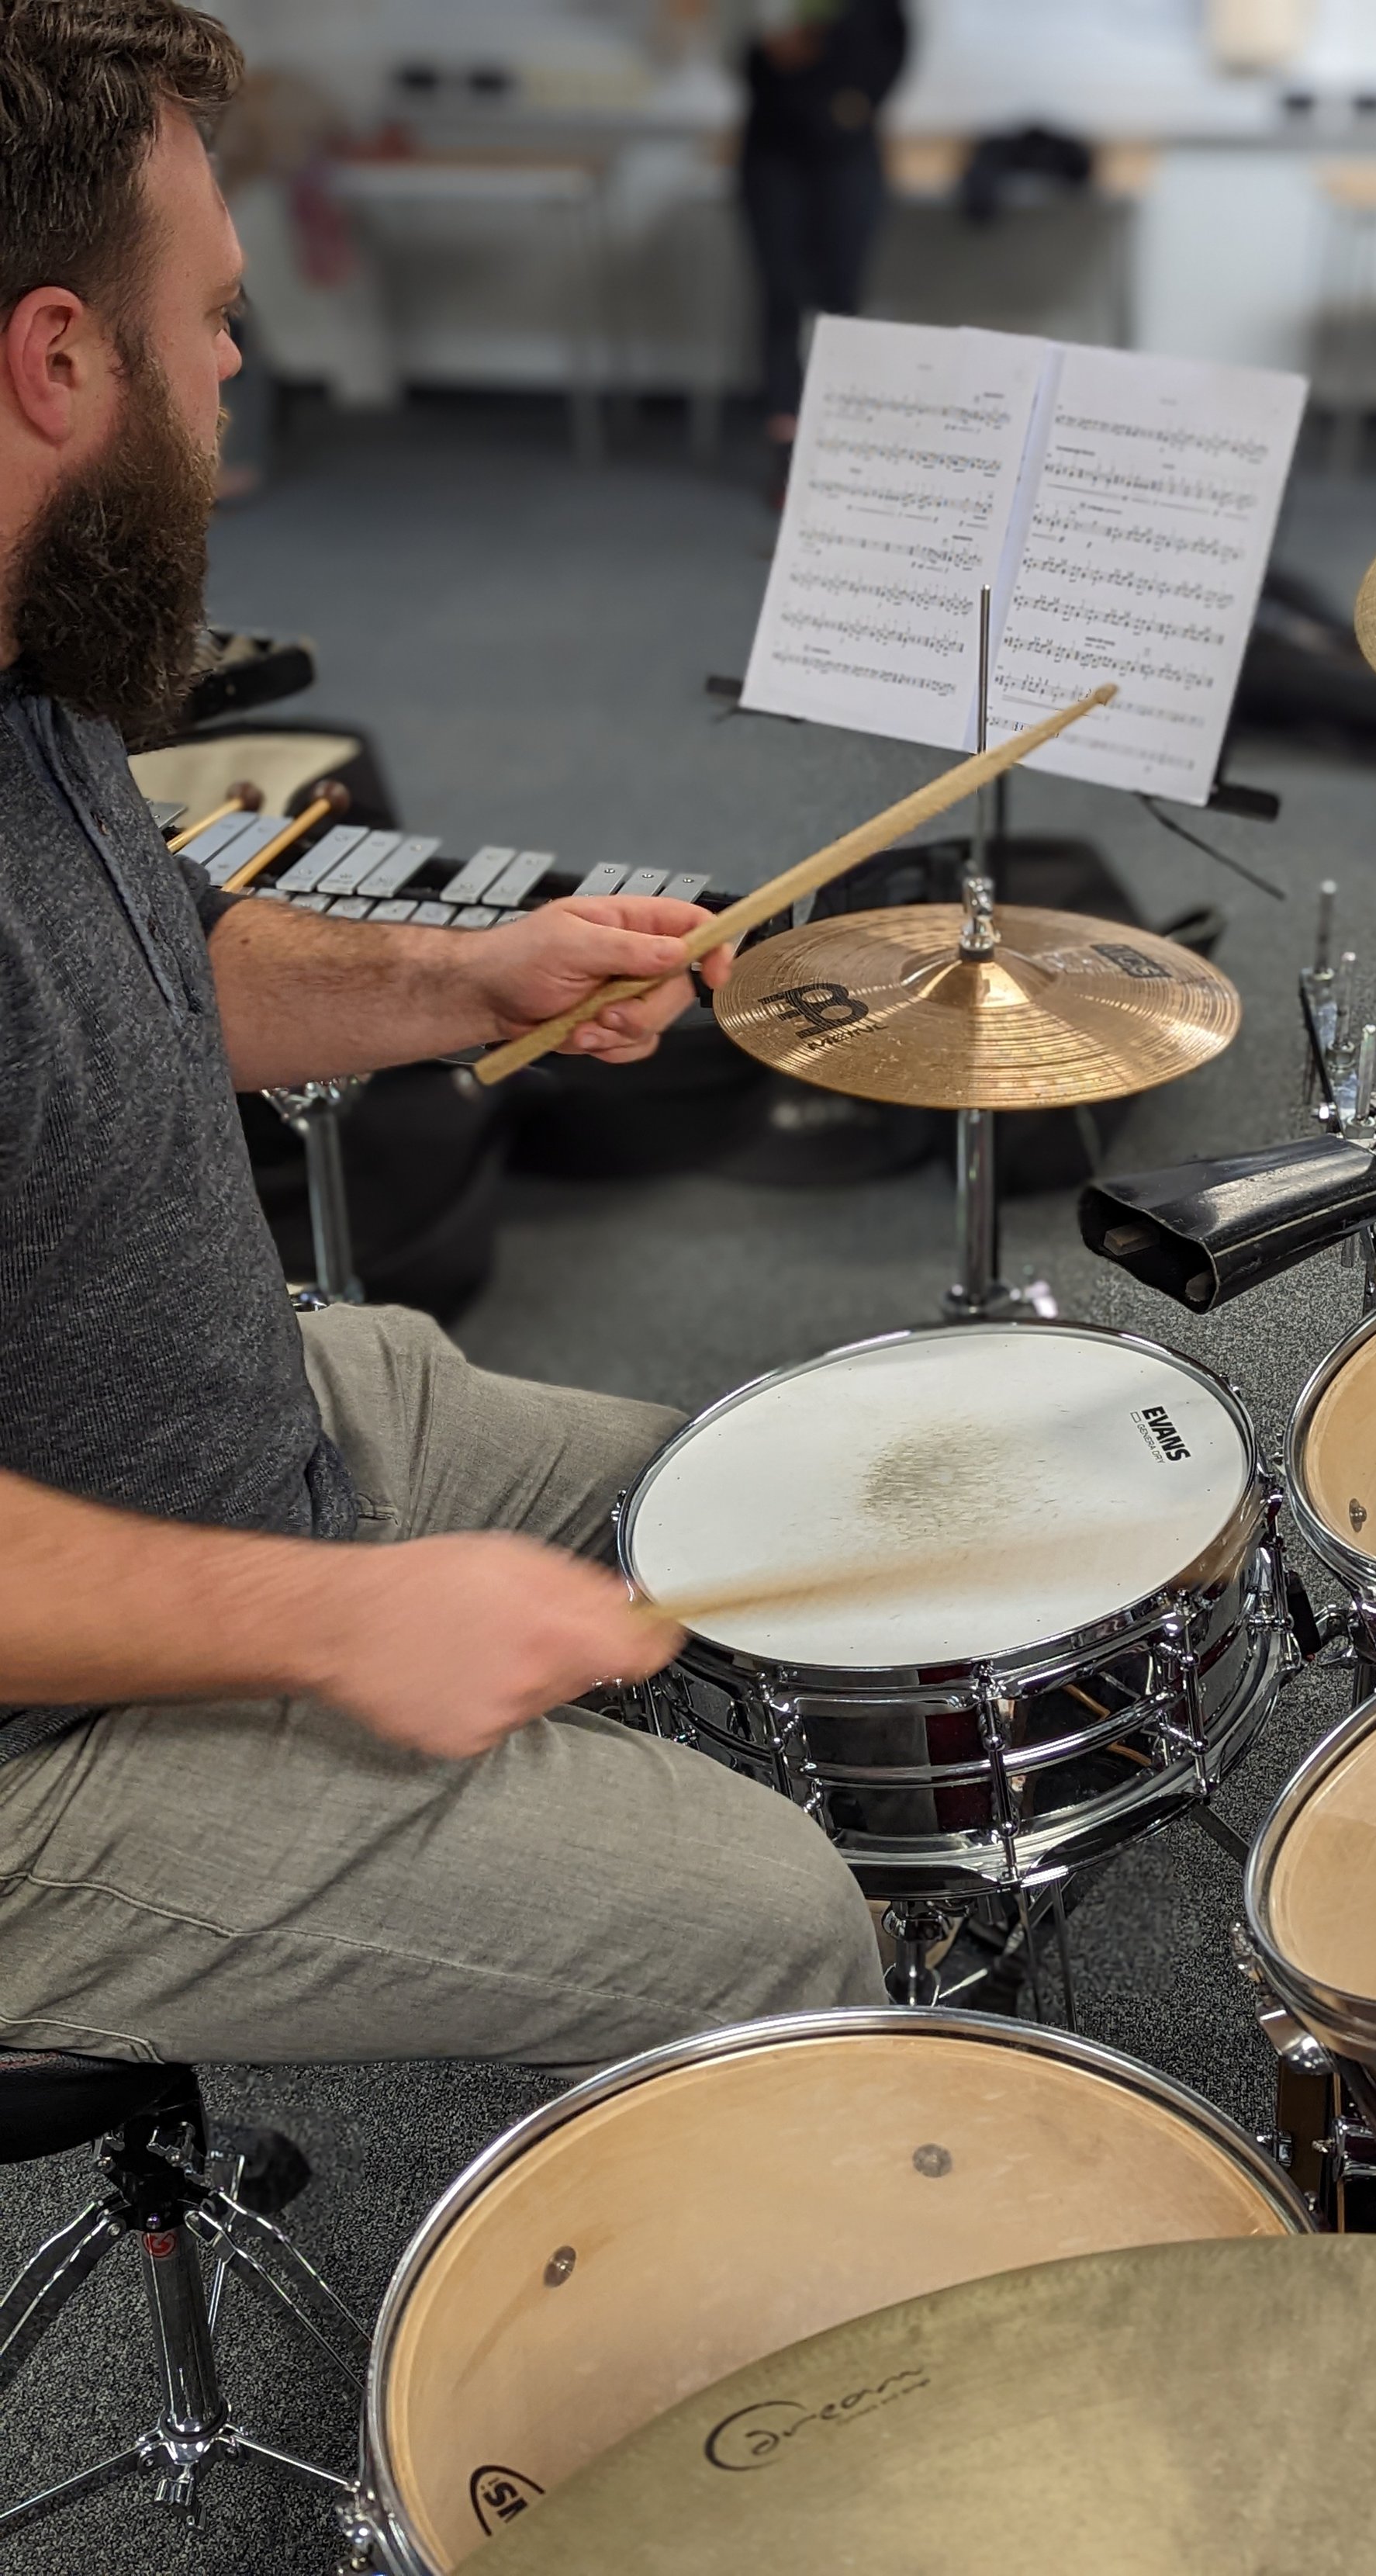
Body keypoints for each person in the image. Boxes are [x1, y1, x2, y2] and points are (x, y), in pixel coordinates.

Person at [0, 0, 883, 2079]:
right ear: (58, 361)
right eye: (210, 316)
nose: (236, 364)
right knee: (775, 1929)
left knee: (752, 1521)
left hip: (259, 1427)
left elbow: (161, 957)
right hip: (41, 1761)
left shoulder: (35, 653)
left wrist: (459, 981)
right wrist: (337, 1626)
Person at [729, 0, 908, 488]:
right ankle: (784, 443)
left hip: (848, 153)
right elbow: (740, 56)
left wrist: (847, 89)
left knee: (842, 297)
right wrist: (776, 49)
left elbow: (890, 55)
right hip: (774, 149)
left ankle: (840, 444)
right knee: (780, 294)